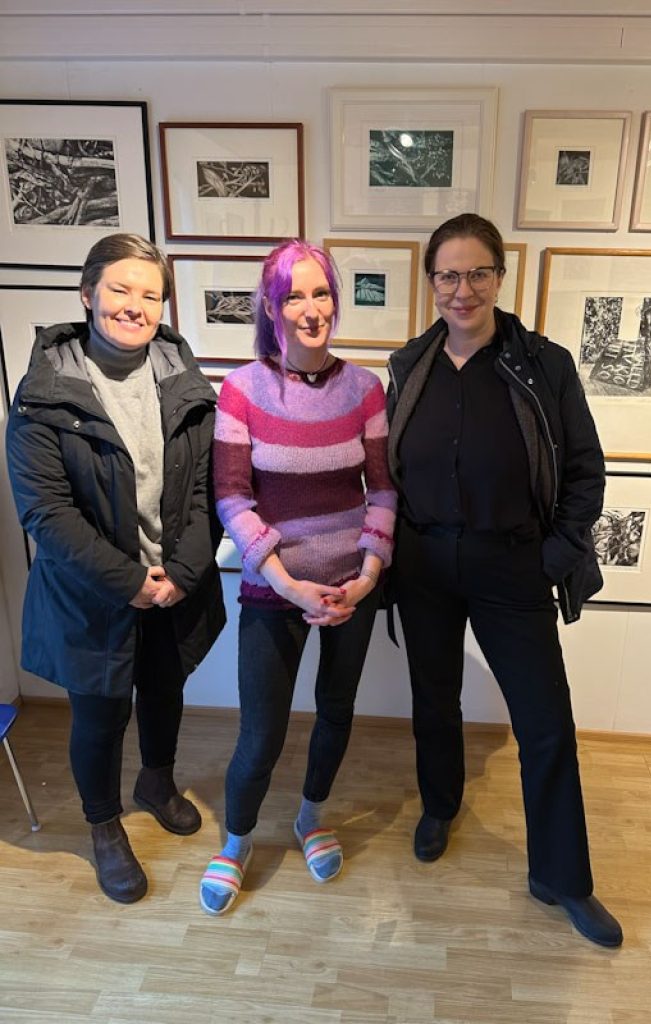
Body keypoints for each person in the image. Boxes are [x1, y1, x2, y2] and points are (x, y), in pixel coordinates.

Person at [386, 213, 622, 948]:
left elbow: (584, 470)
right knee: (434, 701)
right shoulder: (409, 365)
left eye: (478, 273)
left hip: (512, 565)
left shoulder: (544, 364)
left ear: (500, 275)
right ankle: (440, 806)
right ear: (431, 282)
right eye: (449, 275)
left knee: (545, 725)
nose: (464, 290)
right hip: (424, 564)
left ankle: (563, 877)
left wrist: (551, 558)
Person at [6, 233, 225, 904]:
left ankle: (155, 781)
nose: (135, 305)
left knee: (164, 690)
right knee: (100, 715)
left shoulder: (187, 385)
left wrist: (180, 574)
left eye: (150, 294)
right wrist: (131, 583)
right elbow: (46, 513)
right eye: (120, 289)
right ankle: (103, 826)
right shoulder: (44, 395)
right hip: (93, 594)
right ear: (87, 293)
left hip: (174, 586)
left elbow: (207, 492)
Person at [199, 239, 396, 915]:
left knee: (336, 712)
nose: (312, 310)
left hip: (352, 588)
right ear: (271, 306)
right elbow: (231, 497)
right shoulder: (242, 390)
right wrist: (285, 583)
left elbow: (383, 489)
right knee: (262, 731)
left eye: (321, 293)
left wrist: (368, 575)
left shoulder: (365, 389)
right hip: (272, 589)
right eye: (294, 296)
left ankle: (310, 817)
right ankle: (236, 841)